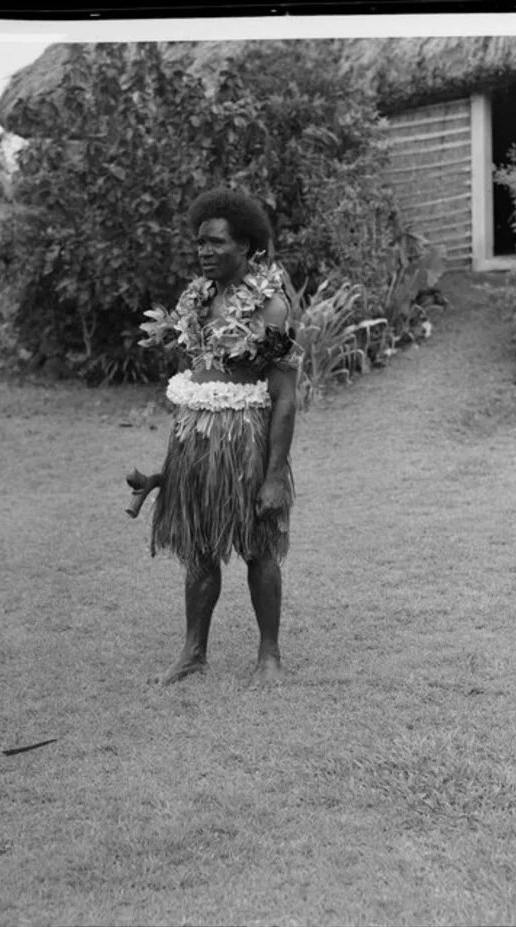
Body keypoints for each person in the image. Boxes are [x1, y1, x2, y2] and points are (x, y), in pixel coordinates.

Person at [133, 188, 302, 685]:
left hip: (247, 442)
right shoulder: (195, 303)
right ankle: (193, 653)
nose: (204, 251)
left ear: (247, 246)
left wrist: (273, 478)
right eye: (199, 243)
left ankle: (268, 655)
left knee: (259, 545)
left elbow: (286, 398)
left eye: (215, 243)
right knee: (198, 547)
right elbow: (193, 389)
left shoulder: (270, 307)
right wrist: (170, 470)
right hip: (196, 440)